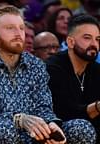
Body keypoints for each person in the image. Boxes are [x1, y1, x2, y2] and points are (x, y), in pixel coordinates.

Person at [0, 5, 96, 144]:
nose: (18, 34)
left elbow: (43, 106)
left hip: (35, 133)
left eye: (21, 28)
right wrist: (19, 120)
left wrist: (51, 124)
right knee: (6, 130)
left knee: (81, 128)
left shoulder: (36, 64)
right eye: (10, 28)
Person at [46, 14, 100, 142]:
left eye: (98, 39)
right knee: (81, 129)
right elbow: (63, 112)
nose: (94, 44)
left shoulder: (96, 70)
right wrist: (97, 107)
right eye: (87, 38)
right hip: (60, 130)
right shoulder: (53, 68)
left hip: (93, 130)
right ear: (70, 42)